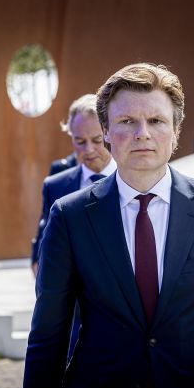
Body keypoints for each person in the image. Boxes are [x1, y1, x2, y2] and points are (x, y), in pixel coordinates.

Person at [24, 63, 194, 388]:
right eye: (126, 121)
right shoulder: (69, 217)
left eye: (156, 121)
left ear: (176, 130)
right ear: (106, 130)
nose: (142, 133)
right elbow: (48, 334)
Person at [31, 94, 117, 274]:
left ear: (110, 133)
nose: (89, 149)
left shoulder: (134, 179)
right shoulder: (55, 186)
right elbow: (46, 240)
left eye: (97, 140)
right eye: (80, 141)